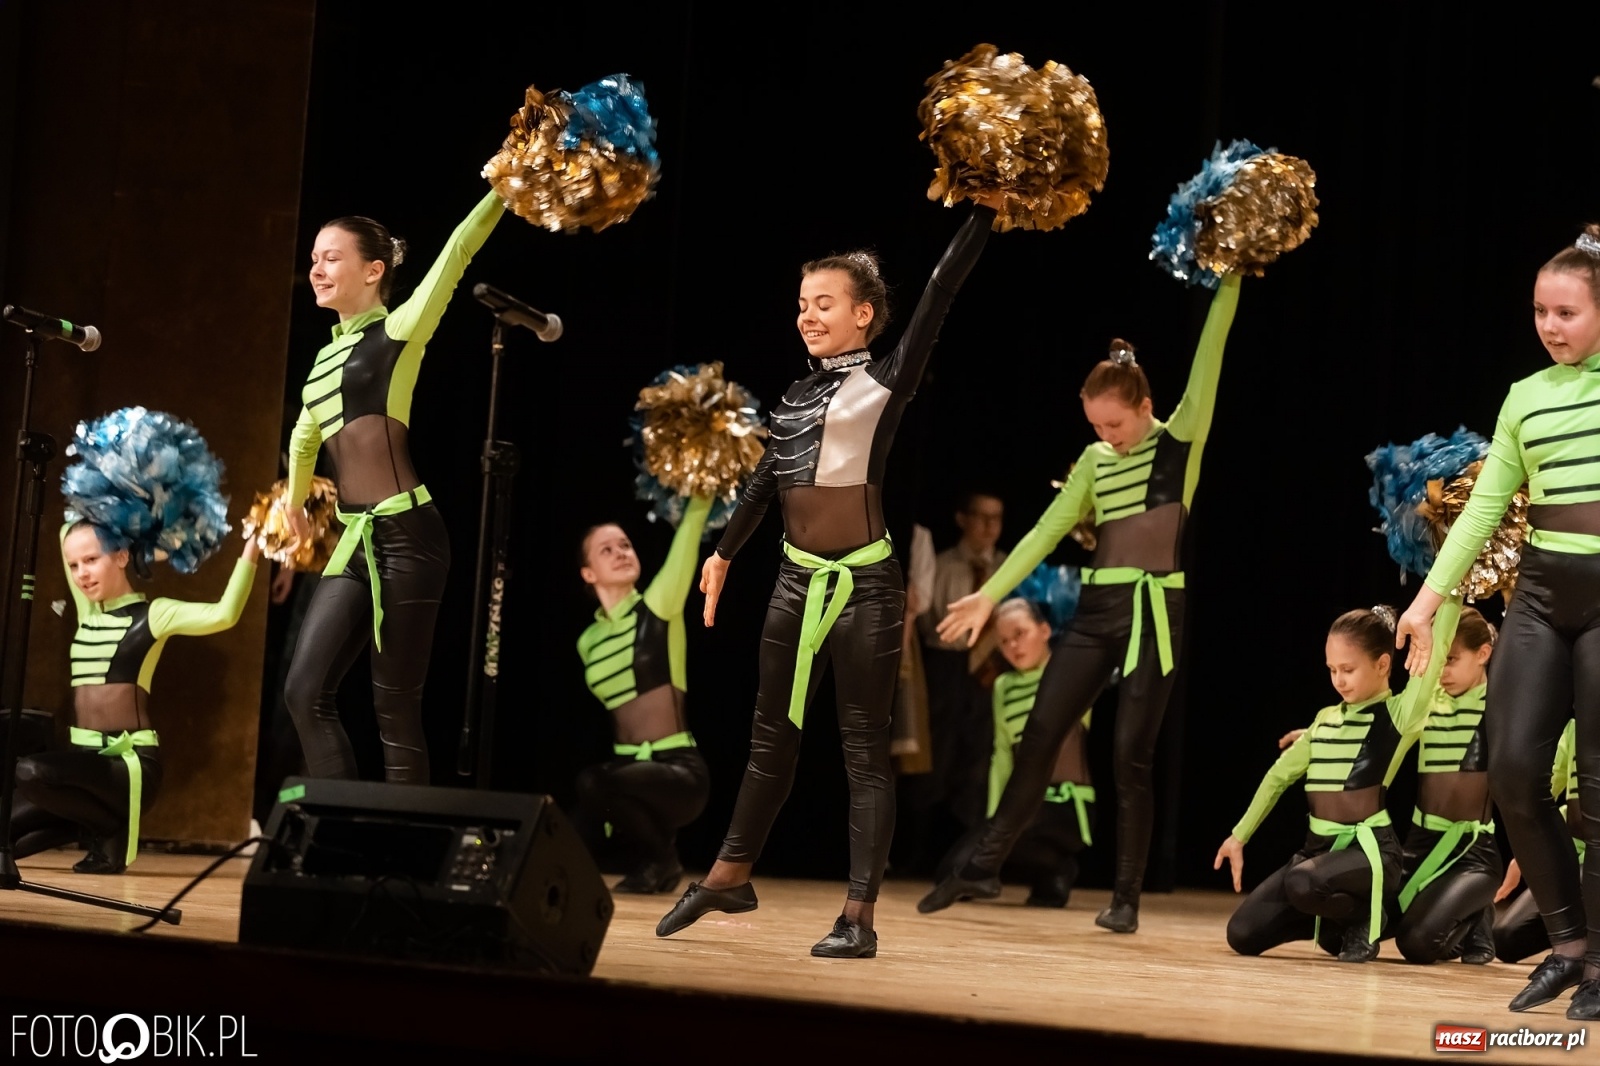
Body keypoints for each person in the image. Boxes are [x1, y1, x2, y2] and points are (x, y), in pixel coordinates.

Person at [654, 190, 1006, 958]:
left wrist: (984, 212)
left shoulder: (885, 384)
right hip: (792, 582)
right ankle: (729, 873)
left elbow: (942, 288)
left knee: (860, 751)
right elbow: (763, 483)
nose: (807, 315)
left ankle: (858, 916)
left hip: (866, 589)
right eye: (802, 304)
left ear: (865, 317)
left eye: (824, 303)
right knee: (767, 739)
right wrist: (722, 554)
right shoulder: (791, 396)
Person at [919, 274, 1242, 933]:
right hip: (1098, 614)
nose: (1107, 435)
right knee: (1041, 731)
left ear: (1147, 406)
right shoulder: (1096, 461)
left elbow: (1213, 347)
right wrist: (988, 594)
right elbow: (1044, 531)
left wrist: (1231, 274)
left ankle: (1125, 897)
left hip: (1157, 614)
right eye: (1096, 425)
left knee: (1130, 755)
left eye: (1115, 423)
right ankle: (983, 864)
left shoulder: (1181, 441)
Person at [1395, 225, 1600, 1018]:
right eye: (1541, 311)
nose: (1551, 326)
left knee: (1594, 788)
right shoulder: (1524, 396)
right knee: (1513, 771)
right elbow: (1484, 508)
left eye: (1569, 312)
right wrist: (1427, 601)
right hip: (1542, 594)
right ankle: (1569, 945)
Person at [282, 191, 503, 784]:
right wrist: (295, 506)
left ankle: (407, 853)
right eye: (313, 260)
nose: (317, 270)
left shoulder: (398, 331)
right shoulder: (321, 362)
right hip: (354, 541)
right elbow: (304, 442)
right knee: (304, 692)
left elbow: (456, 251)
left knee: (395, 708)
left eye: (331, 258)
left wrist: (503, 188)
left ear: (374, 271)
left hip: (409, 533)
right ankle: (341, 837)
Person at [10, 522, 259, 873]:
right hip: (84, 766)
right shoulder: (87, 611)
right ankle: (96, 825)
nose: (82, 574)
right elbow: (65, 525)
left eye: (92, 559)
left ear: (122, 555)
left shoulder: (153, 614)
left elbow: (224, 614)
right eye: (74, 565)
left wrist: (254, 548)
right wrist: (138, 541)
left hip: (128, 769)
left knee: (31, 771)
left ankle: (109, 825)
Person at [1216, 605, 1448, 963]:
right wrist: (1238, 836)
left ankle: (1365, 917)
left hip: (1369, 855)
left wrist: (1453, 591)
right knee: (1243, 935)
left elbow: (1436, 654)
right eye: (1332, 670)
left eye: (1348, 670)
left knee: (1302, 883)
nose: (1339, 680)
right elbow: (1278, 777)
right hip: (1318, 853)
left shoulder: (1399, 715)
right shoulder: (1324, 720)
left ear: (1383, 665)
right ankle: (1336, 926)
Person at [575, 497, 714, 894]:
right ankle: (653, 858)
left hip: (679, 774)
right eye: (607, 550)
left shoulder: (658, 606)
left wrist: (702, 489)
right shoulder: (588, 641)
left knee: (593, 783)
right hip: (625, 777)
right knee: (569, 826)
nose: (621, 552)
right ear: (588, 573)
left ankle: (662, 860)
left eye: (625, 545)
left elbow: (688, 537)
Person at [959, 597, 1094, 908]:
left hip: (1064, 801)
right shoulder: (1004, 685)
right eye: (1004, 641)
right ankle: (1048, 875)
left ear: (1045, 630)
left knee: (1017, 833)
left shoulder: (1069, 674)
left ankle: (1058, 866)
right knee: (957, 869)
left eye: (1020, 633)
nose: (1013, 646)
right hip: (1022, 805)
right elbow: (1002, 755)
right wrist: (992, 822)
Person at [903, 491, 1008, 871]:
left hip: (991, 669)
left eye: (996, 518)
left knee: (978, 762)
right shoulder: (944, 564)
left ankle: (964, 860)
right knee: (936, 760)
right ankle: (914, 854)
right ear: (963, 519)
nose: (988, 527)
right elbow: (928, 624)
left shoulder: (1008, 568)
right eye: (980, 516)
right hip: (946, 666)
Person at [1494, 720, 1582, 966]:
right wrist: (1527, 851)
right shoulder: (1576, 728)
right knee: (1506, 939)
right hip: (1577, 857)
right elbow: (1544, 793)